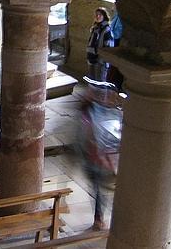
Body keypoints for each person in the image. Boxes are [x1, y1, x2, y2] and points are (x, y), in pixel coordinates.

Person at [74, 77, 122, 231]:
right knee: (100, 189)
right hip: (96, 158)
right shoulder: (90, 115)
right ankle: (100, 218)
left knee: (99, 189)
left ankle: (99, 218)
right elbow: (87, 137)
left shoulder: (96, 112)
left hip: (99, 157)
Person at [86, 7, 114, 82]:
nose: (98, 16)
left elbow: (109, 47)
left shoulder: (106, 30)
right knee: (91, 80)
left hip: (101, 61)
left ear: (104, 16)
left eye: (100, 15)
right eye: (96, 15)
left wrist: (102, 58)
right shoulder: (95, 28)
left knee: (100, 82)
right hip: (92, 58)